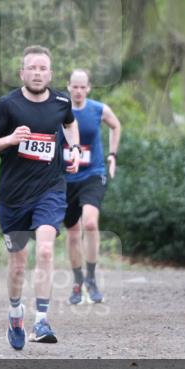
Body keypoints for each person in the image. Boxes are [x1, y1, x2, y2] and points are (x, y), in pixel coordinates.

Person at [0, 46, 80, 350]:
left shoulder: (62, 101)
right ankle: (15, 313)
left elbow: (70, 124)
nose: (37, 73)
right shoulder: (7, 105)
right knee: (18, 264)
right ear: (22, 73)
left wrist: (73, 149)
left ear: (50, 74)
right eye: (31, 68)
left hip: (50, 189)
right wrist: (11, 139)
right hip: (13, 197)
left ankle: (42, 319)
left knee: (46, 250)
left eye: (43, 69)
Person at [63, 69, 121, 305]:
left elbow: (116, 125)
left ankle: (92, 278)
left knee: (89, 222)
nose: (78, 91)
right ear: (68, 86)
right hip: (66, 178)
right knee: (73, 231)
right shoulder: (58, 108)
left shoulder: (98, 109)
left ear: (88, 88)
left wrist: (112, 155)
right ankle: (77, 283)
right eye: (74, 86)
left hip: (93, 173)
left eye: (82, 86)